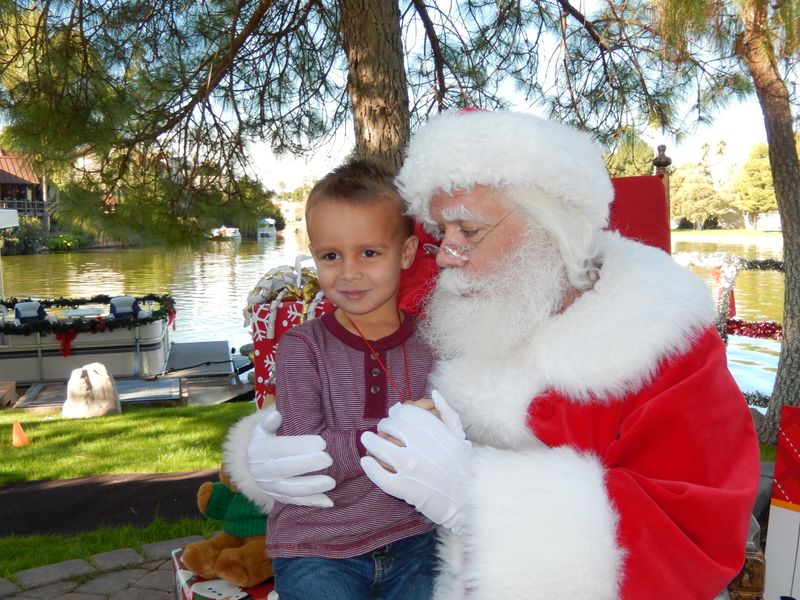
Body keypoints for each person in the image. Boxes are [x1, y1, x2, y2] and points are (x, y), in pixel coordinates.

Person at [230, 111, 761, 599]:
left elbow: (696, 534)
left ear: (550, 226)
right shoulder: (443, 301)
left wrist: (475, 499)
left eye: (469, 231)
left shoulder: (663, 342)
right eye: (440, 233)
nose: (449, 257)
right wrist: (270, 446)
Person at [228, 158, 437, 600]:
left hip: (413, 537)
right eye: (330, 255)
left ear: (407, 253)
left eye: (369, 252)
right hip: (317, 545)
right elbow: (309, 456)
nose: (348, 272)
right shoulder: (302, 347)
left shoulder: (432, 346)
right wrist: (397, 433)